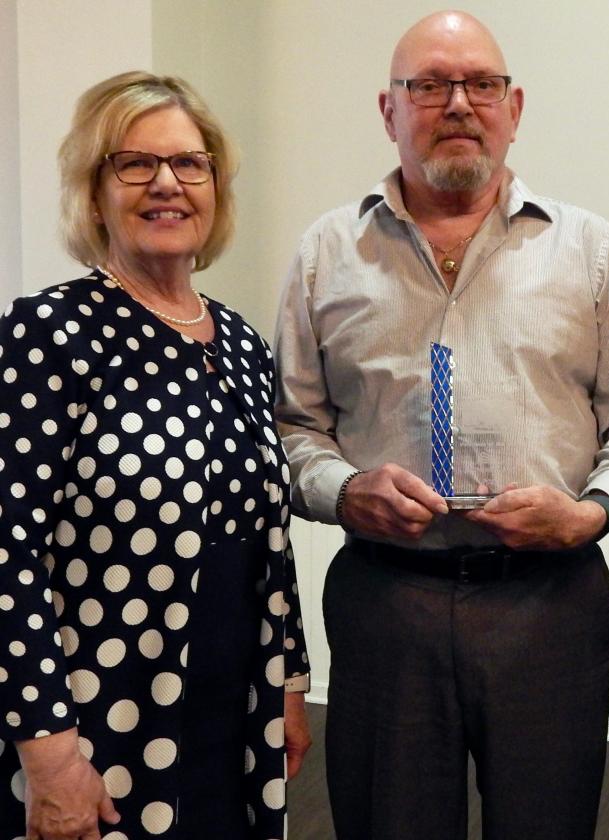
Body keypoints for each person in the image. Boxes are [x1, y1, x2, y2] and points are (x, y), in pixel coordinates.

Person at [273, 10, 609, 839]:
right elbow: (287, 428)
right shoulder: (326, 254)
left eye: (480, 84)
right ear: (389, 111)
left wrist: (592, 511)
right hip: (387, 600)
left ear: (514, 105)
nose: (458, 102)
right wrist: (346, 491)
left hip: (550, 606)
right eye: (429, 84)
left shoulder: (591, 251)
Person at [0, 72, 311, 840]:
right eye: (134, 164)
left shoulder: (239, 341)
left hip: (232, 718)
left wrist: (291, 683)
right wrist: (48, 755)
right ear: (93, 188)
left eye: (190, 164)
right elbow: (7, 555)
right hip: (103, 725)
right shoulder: (48, 335)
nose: (167, 183)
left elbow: (270, 535)